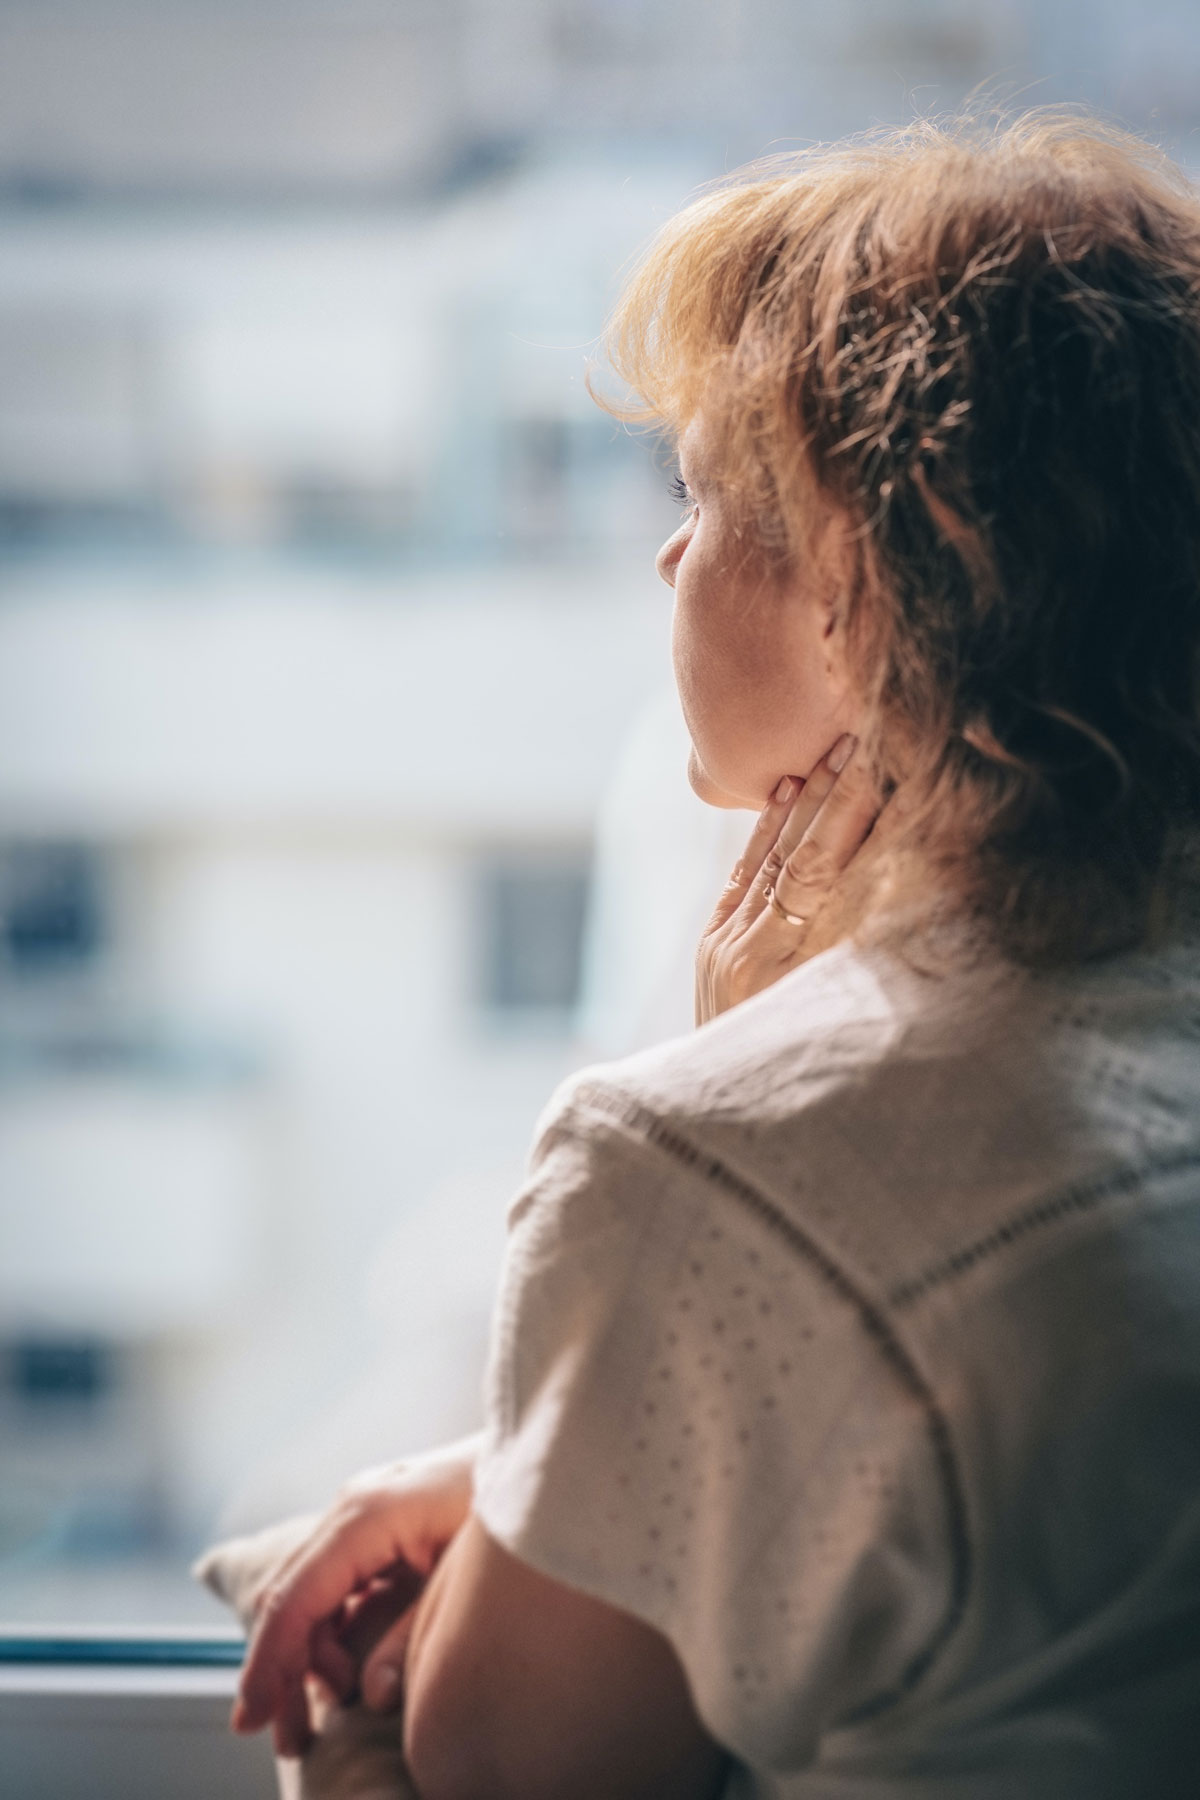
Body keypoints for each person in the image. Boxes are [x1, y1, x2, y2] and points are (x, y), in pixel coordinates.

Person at [227, 112, 1200, 1798]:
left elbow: (500, 1772)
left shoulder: (699, 1164)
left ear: (875, 586)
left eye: (706, 491)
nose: (671, 556)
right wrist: (542, 1468)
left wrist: (733, 1099)